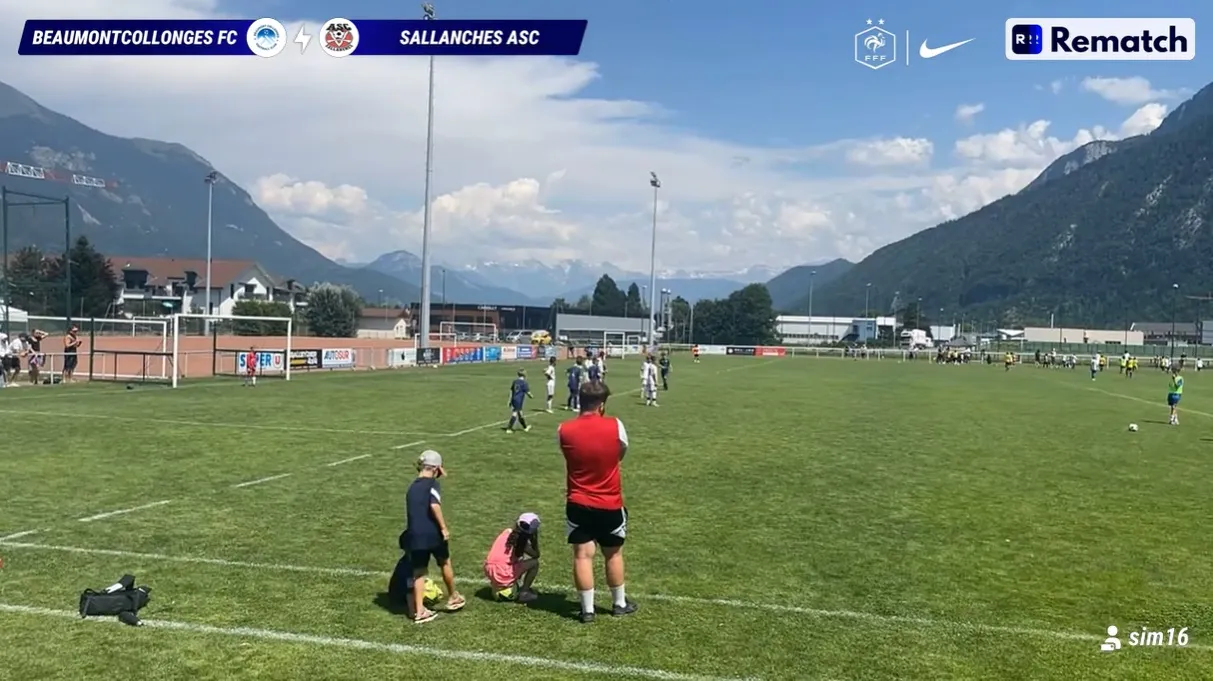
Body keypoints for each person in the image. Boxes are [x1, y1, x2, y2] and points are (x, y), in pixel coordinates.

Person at [557, 380, 638, 624]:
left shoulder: (564, 429)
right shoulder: (615, 425)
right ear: (602, 404)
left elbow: (568, 455)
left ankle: (587, 610)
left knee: (582, 555)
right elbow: (621, 453)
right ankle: (619, 604)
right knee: (613, 554)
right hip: (609, 502)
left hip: (578, 502)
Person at [404, 450, 465, 623]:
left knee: (418, 573)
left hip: (415, 535)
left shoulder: (412, 487)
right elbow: (434, 505)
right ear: (436, 468)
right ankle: (453, 596)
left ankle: (419, 611)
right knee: (444, 562)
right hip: (432, 532)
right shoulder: (432, 484)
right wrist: (443, 528)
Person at [483, 512, 541, 603]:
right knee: (534, 563)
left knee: (518, 561)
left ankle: (498, 587)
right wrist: (534, 539)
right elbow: (536, 555)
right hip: (503, 571)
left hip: (489, 569)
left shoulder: (507, 531)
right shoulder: (522, 542)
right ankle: (524, 592)